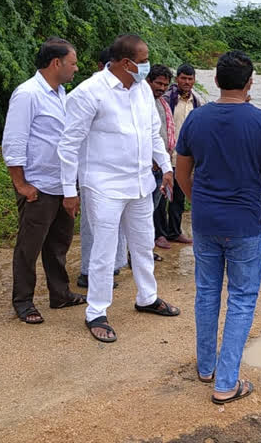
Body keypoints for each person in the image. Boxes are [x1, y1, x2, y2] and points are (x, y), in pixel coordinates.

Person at [175, 50, 261, 405]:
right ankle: (226, 383)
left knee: (206, 292)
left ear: (215, 81)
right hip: (245, 225)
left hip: (206, 224)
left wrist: (200, 202)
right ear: (250, 82)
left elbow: (181, 173)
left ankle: (206, 367)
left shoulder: (196, 118)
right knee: (241, 299)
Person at [58, 34, 180, 343]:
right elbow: (68, 145)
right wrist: (68, 190)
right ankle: (96, 311)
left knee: (141, 245)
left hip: (139, 182)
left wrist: (165, 166)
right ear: (125, 63)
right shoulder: (89, 93)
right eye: (142, 61)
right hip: (104, 185)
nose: (146, 67)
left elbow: (153, 132)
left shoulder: (141, 91)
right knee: (105, 248)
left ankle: (147, 297)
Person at [2, 38, 86, 323]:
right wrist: (21, 184)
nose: (76, 68)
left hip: (61, 184)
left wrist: (71, 187)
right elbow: (14, 141)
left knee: (58, 244)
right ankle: (23, 301)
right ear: (56, 63)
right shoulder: (28, 94)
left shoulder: (62, 93)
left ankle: (59, 294)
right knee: (29, 246)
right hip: (37, 186)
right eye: (72, 63)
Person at [76, 48, 128, 289]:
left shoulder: (126, 92)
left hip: (118, 173)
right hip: (94, 173)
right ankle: (89, 272)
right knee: (94, 226)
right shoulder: (89, 91)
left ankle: (111, 267)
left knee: (114, 227)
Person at [154, 63, 202, 249]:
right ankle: (159, 234)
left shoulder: (197, 101)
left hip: (185, 157)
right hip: (166, 155)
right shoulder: (166, 100)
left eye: (190, 79)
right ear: (177, 79)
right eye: (183, 78)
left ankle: (174, 231)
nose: (187, 82)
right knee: (161, 196)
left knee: (179, 197)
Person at [146, 64, 173, 261]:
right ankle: (135, 254)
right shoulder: (142, 102)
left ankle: (143, 251)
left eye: (165, 84)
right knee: (141, 214)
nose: (162, 88)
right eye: (158, 83)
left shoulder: (161, 103)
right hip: (147, 168)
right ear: (148, 81)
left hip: (160, 168)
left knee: (150, 212)